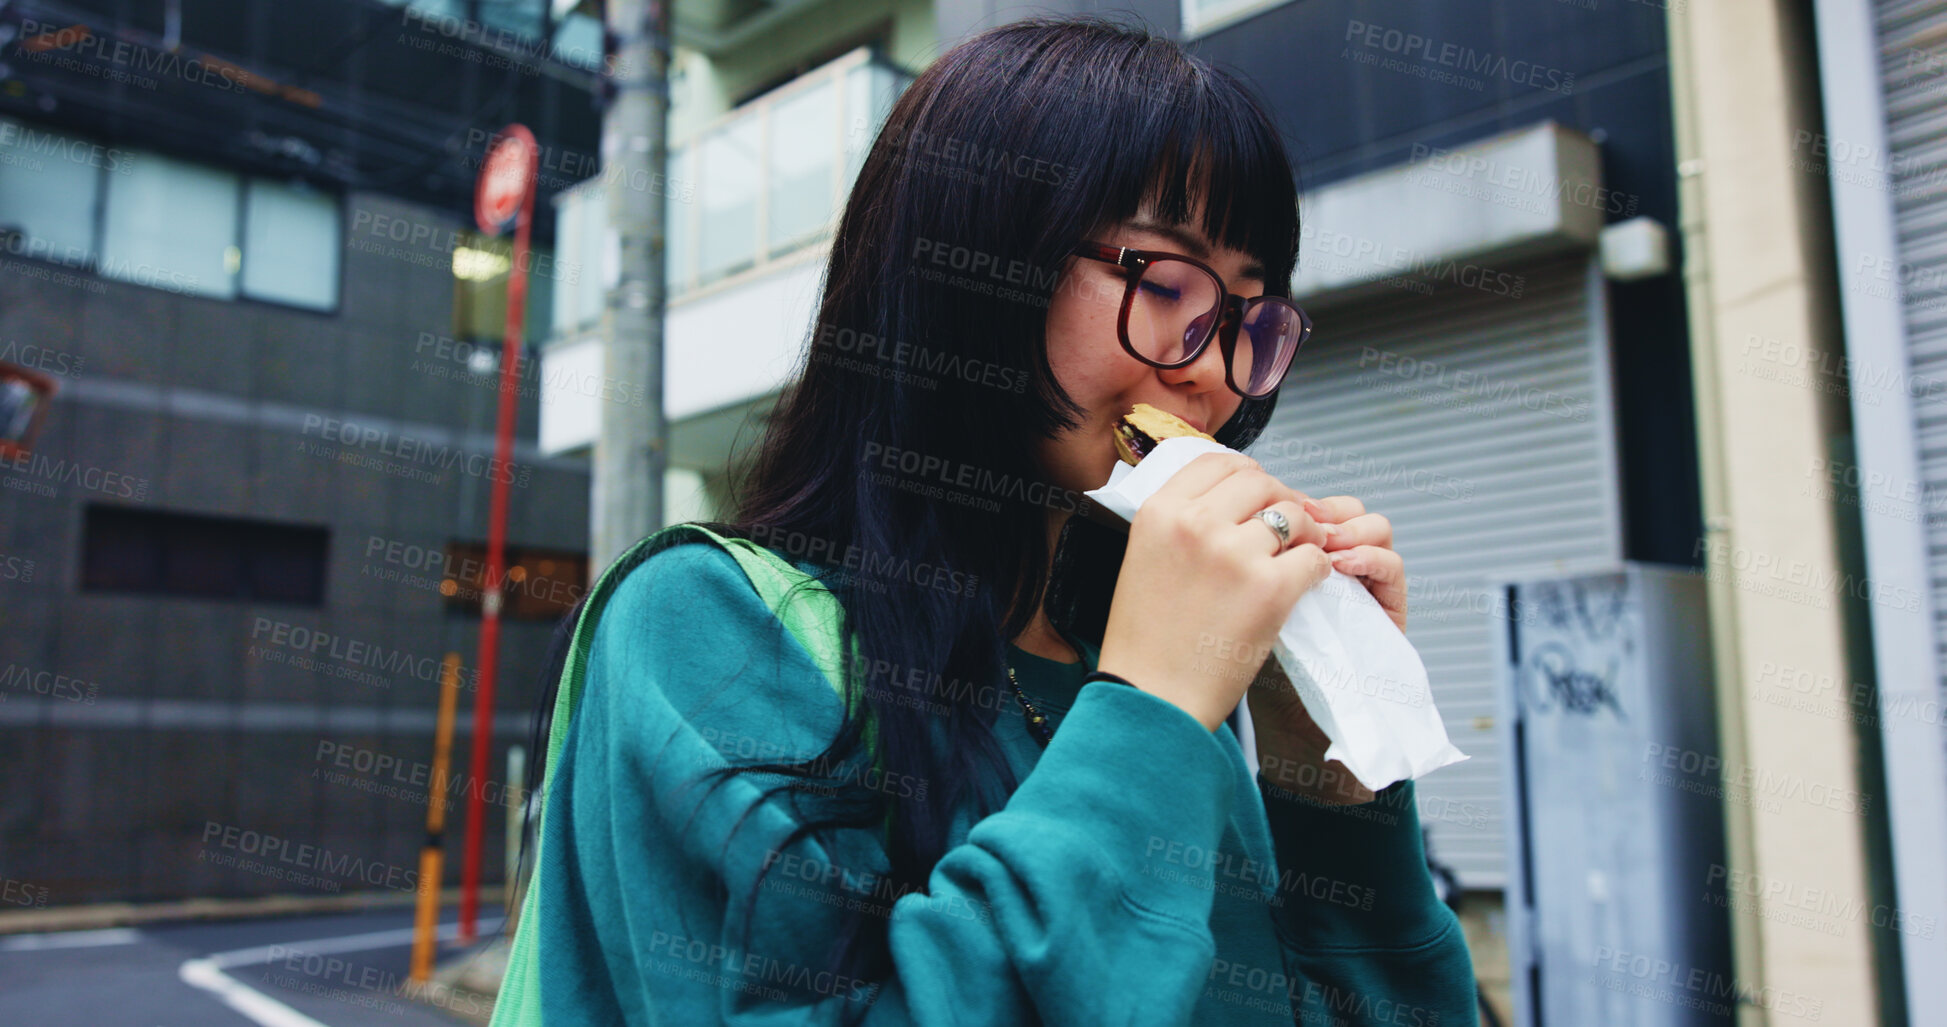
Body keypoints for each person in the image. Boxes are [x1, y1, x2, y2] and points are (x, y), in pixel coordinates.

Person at [514, 15, 1477, 1026]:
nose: (1210, 374)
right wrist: (1150, 713)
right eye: (1167, 283)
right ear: (972, 265)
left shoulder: (1151, 670)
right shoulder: (704, 626)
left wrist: (1330, 788)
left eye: (1249, 314)